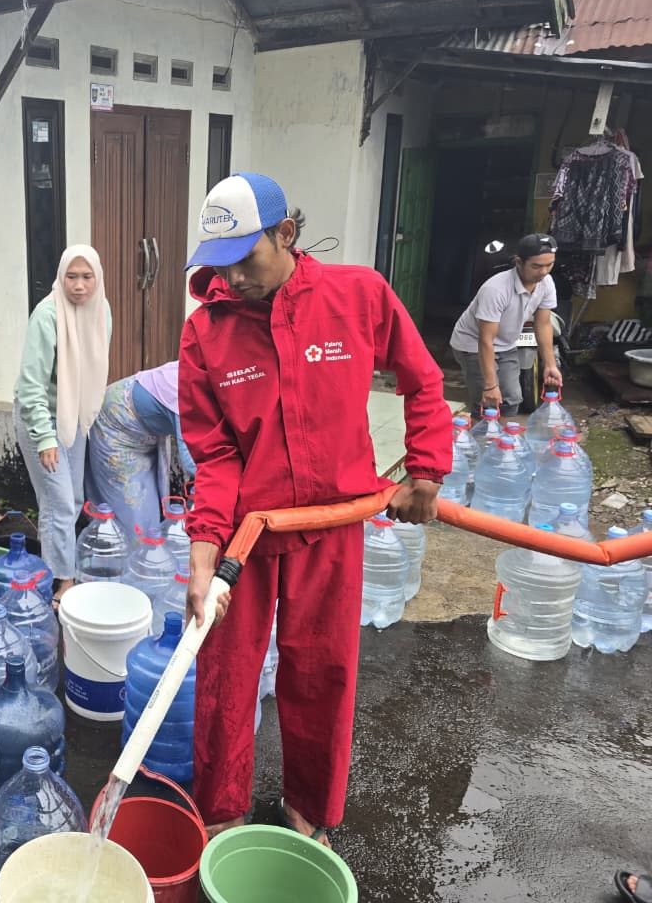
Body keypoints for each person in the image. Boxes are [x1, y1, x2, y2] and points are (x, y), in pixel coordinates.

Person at [180, 173, 450, 846]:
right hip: (249, 535)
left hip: (334, 523)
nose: (234, 278)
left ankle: (309, 813)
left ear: (286, 234)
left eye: (248, 258)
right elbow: (215, 457)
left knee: (322, 673)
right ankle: (221, 816)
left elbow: (422, 378)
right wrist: (202, 557)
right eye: (221, 265)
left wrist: (426, 469)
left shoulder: (357, 296)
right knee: (225, 680)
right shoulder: (206, 334)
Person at [14, 245, 111, 601]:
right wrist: (45, 438)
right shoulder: (47, 315)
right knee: (58, 501)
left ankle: (50, 567)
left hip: (73, 418)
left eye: (87, 277)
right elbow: (30, 386)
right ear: (61, 276)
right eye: (72, 276)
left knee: (72, 498)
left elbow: (95, 368)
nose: (79, 286)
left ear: (97, 278)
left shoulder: (102, 311)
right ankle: (63, 582)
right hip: (40, 417)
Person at [449, 232, 561, 415]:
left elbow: (543, 324)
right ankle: (483, 439)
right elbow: (485, 339)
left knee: (512, 399)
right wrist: (490, 385)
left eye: (549, 265)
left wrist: (550, 365)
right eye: (536, 266)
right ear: (519, 262)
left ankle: (503, 440)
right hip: (472, 344)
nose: (543, 272)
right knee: (487, 401)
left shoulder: (546, 283)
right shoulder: (496, 289)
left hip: (507, 344)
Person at [85, 360, 196, 538]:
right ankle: (117, 561)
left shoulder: (201, 375)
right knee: (139, 525)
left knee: (155, 514)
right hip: (115, 427)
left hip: (147, 433)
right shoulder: (187, 391)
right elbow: (192, 461)